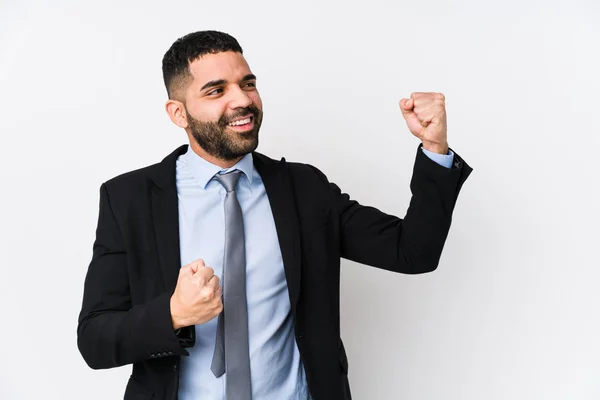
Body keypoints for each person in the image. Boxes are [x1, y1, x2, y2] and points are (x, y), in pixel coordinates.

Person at [77, 30, 472, 400]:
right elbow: (95, 339)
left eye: (247, 83)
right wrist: (173, 313)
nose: (243, 100)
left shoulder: (303, 189)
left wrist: (435, 149)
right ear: (179, 113)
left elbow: (413, 252)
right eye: (217, 90)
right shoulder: (128, 198)